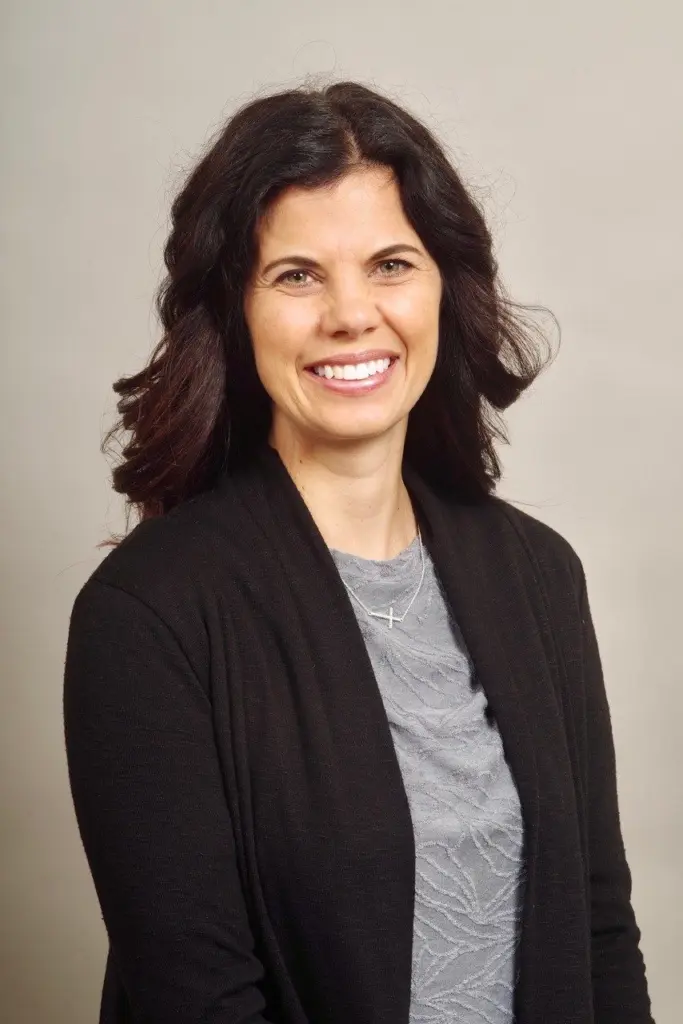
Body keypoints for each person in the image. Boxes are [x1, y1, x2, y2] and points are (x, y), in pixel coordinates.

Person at [63, 80, 654, 1024]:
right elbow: (199, 1000)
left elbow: (595, 928)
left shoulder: (540, 575)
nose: (352, 314)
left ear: (443, 288)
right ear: (235, 311)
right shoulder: (150, 614)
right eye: (297, 275)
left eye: (390, 264)